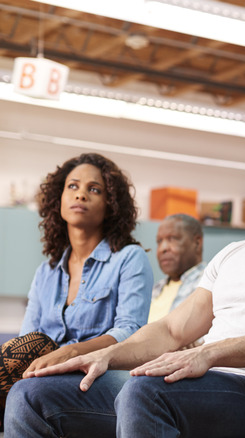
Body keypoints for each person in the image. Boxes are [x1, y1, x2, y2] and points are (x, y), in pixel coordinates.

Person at [5, 123, 245, 438]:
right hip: (196, 383)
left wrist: (207, 354)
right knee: (31, 396)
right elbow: (172, 330)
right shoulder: (233, 253)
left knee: (144, 392)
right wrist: (105, 356)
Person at [0, 153, 153, 423]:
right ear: (58, 198)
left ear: (110, 204)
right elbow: (28, 338)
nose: (80, 195)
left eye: (94, 189)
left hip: (100, 374)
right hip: (46, 375)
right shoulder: (45, 273)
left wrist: (72, 351)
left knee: (26, 391)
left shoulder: (129, 259)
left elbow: (130, 330)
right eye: (73, 186)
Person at [147, 214, 206, 324]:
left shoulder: (208, 283)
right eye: (159, 241)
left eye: (172, 239)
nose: (163, 248)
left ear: (197, 243)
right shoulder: (154, 289)